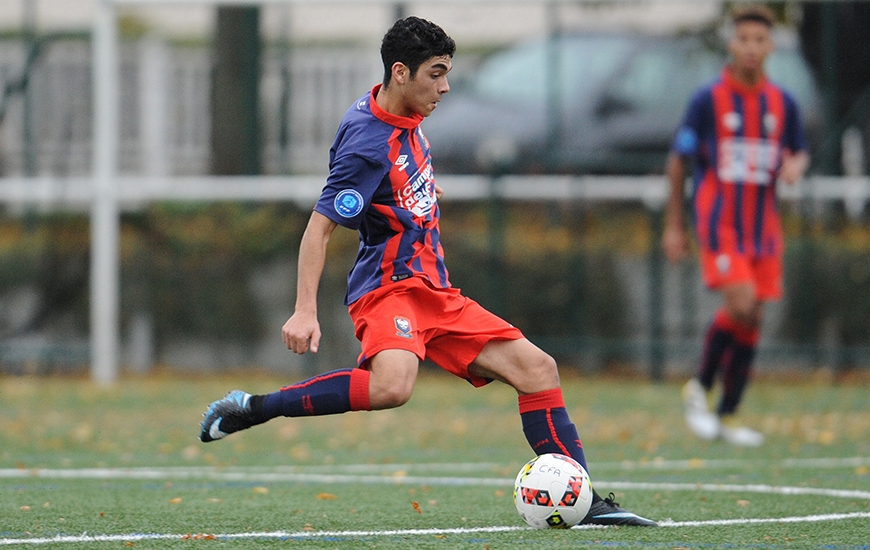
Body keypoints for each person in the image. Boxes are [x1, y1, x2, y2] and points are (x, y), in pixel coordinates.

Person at [199, 16, 656, 527]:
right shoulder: (365, 145)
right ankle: (255, 406)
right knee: (393, 387)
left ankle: (585, 499)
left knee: (538, 370)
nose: (445, 86)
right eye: (435, 74)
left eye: (447, 73)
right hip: (389, 291)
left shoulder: (403, 114)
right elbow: (318, 229)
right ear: (400, 73)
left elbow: (396, 179)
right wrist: (305, 309)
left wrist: (416, 195)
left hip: (436, 293)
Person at [663, 5, 809, 447]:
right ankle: (699, 387)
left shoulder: (783, 103)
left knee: (754, 317)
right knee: (742, 302)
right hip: (719, 222)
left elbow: (798, 150)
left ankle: (726, 415)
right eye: (743, 38)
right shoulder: (708, 99)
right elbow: (678, 161)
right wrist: (675, 226)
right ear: (731, 43)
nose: (750, 47)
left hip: (764, 228)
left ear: (771, 46)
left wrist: (796, 166)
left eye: (759, 40)